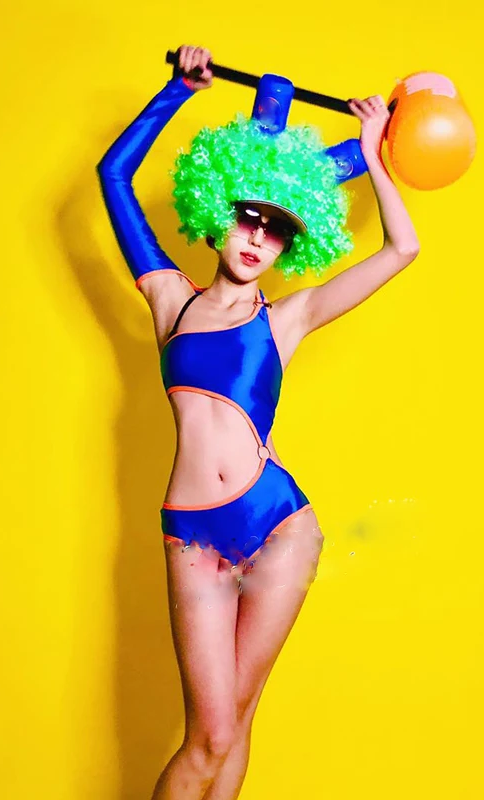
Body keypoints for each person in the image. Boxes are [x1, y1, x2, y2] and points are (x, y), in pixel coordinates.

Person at [97, 44, 419, 800]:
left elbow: (403, 248)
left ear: (289, 244)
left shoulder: (289, 318)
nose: (255, 238)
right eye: (247, 217)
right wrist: (178, 91)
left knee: (237, 725)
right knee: (208, 734)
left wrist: (373, 151)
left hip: (279, 526)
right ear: (220, 215)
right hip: (193, 534)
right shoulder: (170, 299)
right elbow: (112, 177)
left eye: (275, 230)